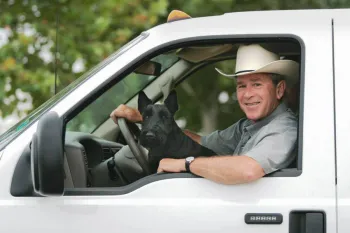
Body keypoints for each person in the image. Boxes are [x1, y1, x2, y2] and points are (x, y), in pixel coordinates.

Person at [110, 44, 299, 185]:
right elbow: (200, 142)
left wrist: (185, 164)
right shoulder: (248, 126)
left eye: (257, 84)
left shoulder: (284, 128)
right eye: (242, 85)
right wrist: (144, 119)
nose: (247, 94)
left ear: (279, 89)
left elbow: (248, 169)